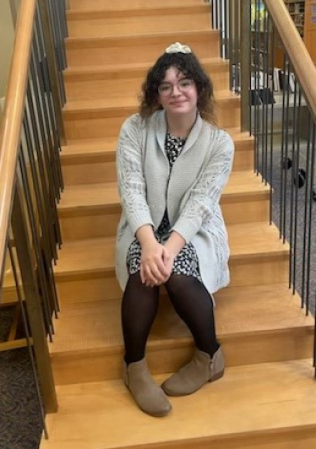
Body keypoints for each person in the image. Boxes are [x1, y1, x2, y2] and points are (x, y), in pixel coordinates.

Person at [115, 42, 234, 417]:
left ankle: (210, 355)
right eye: (165, 86)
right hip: (143, 225)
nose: (175, 92)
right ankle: (134, 366)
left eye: (184, 82)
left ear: (199, 88)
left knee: (179, 274)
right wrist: (149, 244)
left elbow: (201, 203)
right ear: (156, 94)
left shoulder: (219, 143)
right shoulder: (135, 129)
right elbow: (131, 189)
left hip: (193, 230)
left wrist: (170, 248)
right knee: (142, 270)